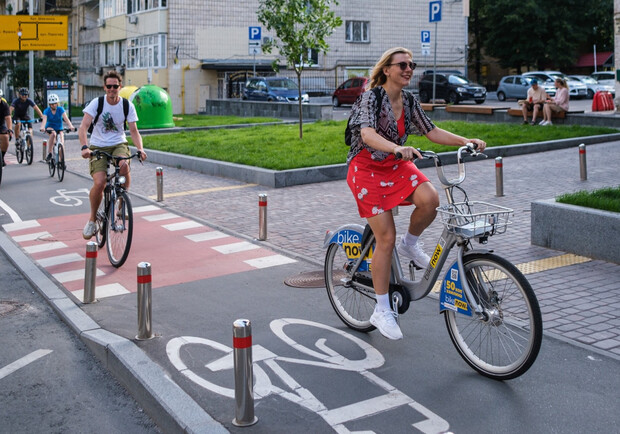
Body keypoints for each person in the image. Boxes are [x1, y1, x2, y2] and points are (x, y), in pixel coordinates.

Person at [346, 47, 486, 340]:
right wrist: (397, 147)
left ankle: (410, 245)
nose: (409, 69)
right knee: (385, 238)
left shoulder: (408, 101)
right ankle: (382, 309)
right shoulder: (371, 97)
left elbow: (431, 131)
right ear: (387, 69)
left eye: (412, 64)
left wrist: (466, 140)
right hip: (367, 169)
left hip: (395, 165)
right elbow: (367, 134)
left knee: (430, 199)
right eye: (403, 65)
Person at [78, 70, 147, 240]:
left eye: (115, 86)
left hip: (118, 143)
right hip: (98, 145)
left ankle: (122, 203)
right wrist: (84, 147)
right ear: (104, 87)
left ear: (119, 86)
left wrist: (140, 149)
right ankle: (92, 220)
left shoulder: (126, 105)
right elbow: (83, 127)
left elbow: (133, 130)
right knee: (100, 182)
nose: (111, 89)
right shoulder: (97, 103)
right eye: (108, 86)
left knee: (124, 165)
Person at [40, 93, 76, 161]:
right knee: (53, 134)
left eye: (55, 103)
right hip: (50, 128)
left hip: (59, 129)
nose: (54, 105)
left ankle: (62, 161)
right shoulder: (46, 111)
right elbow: (44, 120)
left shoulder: (60, 109)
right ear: (49, 104)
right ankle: (50, 153)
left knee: (61, 144)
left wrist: (71, 126)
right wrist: (42, 127)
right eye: (52, 104)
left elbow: (66, 118)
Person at [0, 89, 13, 167]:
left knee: (5, 137)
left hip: (1, 125)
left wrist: (10, 129)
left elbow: (8, 118)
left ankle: (1, 157)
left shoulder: (4, 105)